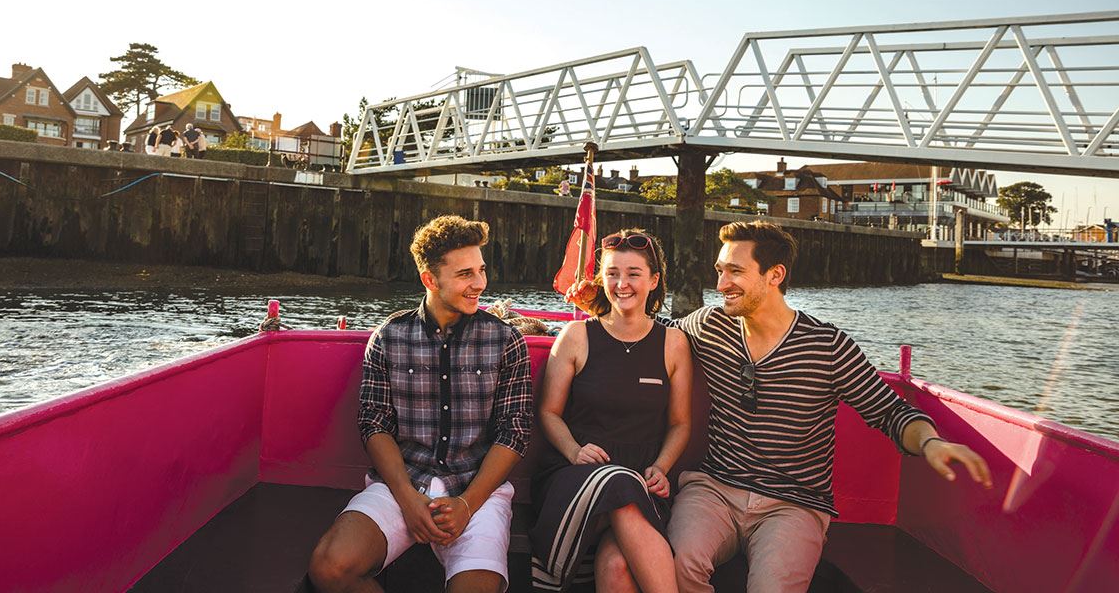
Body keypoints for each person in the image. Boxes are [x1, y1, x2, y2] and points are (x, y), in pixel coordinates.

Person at [566, 220, 992, 593]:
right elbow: (647, 334)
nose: (721, 284)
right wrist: (599, 309)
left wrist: (931, 444)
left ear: (775, 275)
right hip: (713, 489)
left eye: (735, 271)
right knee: (676, 566)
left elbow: (890, 411)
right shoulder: (709, 325)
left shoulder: (827, 346)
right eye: (720, 270)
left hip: (795, 503)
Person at [305, 215, 534, 593]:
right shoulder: (389, 336)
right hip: (402, 484)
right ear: (430, 279)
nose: (479, 283)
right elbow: (374, 423)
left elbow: (515, 431)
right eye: (465, 274)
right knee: (329, 567)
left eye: (481, 270)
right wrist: (409, 500)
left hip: (477, 488)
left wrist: (466, 505)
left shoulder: (505, 340)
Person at [531, 228, 691, 593]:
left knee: (618, 565)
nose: (622, 284)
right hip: (576, 474)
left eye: (633, 274)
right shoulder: (576, 336)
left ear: (653, 280)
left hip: (642, 480)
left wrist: (662, 468)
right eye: (612, 274)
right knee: (617, 481)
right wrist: (574, 451)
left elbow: (681, 424)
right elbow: (549, 413)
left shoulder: (673, 343)